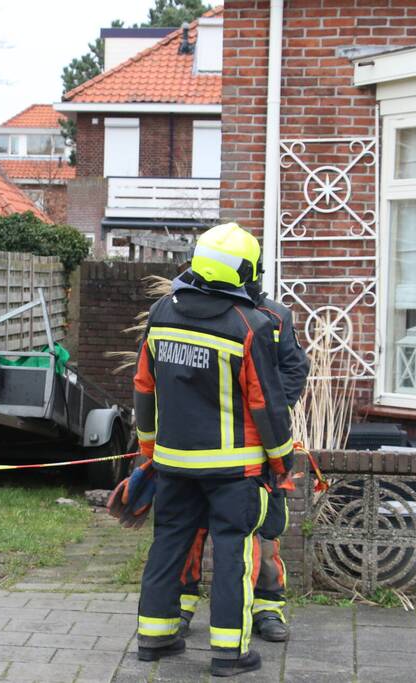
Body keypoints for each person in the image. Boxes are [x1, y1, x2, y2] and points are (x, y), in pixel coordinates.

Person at [133, 222, 294, 677]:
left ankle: (155, 636)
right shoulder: (251, 325)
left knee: (168, 544)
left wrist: (148, 447)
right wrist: (282, 463)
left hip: (173, 462)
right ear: (246, 271)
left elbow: (144, 386)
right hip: (234, 470)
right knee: (232, 553)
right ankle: (229, 652)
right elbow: (267, 403)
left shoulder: (162, 312)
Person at [178, 272, 309, 643]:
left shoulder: (274, 316)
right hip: (204, 447)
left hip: (260, 450)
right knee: (190, 530)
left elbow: (294, 371)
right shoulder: (195, 313)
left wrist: (263, 413)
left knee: (265, 533)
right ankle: (181, 606)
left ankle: (267, 608)